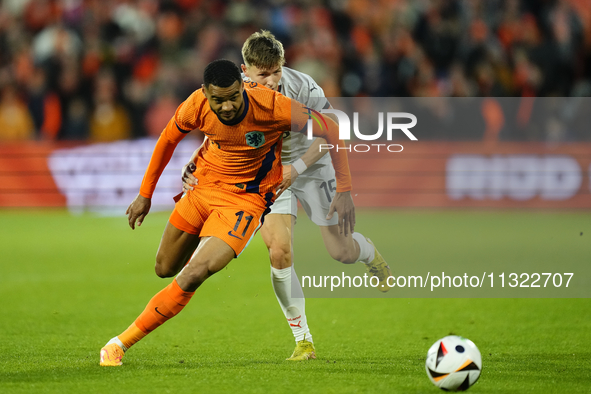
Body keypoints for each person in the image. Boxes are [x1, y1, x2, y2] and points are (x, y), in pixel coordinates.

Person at [99, 59, 355, 366]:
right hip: (202, 188)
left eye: (234, 96)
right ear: (205, 92)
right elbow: (168, 139)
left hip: (244, 202)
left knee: (194, 273)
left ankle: (118, 344)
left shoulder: (273, 106)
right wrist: (145, 194)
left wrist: (343, 188)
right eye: (218, 99)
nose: (227, 106)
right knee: (164, 268)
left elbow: (332, 129)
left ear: (243, 87)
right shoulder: (196, 103)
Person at [181, 31, 391, 361]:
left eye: (277, 71)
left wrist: (303, 169)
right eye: (263, 74)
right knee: (279, 249)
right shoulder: (237, 94)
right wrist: (198, 158)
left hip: (314, 164)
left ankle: (367, 252)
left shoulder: (304, 87)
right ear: (245, 71)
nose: (272, 80)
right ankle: (303, 339)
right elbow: (224, 133)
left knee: (340, 251)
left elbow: (333, 131)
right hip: (268, 174)